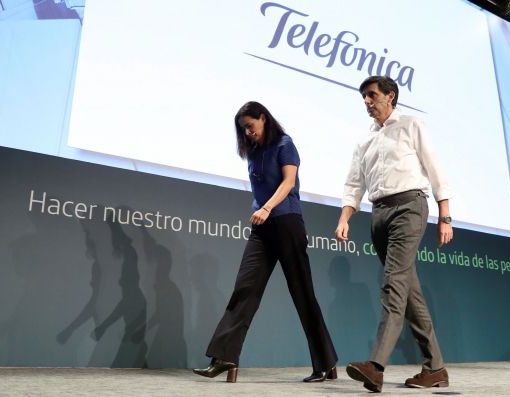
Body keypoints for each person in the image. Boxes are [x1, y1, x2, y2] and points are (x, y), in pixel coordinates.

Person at [193, 101, 338, 383]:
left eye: (250, 126)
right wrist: (262, 211)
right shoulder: (253, 152)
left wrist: (267, 207)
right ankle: (225, 357)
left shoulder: (285, 144)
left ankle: (325, 363)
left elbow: (288, 182)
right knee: (244, 289)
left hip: (286, 222)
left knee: (302, 295)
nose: (247, 132)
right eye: (243, 129)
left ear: (263, 118)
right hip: (263, 228)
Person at [335, 76, 453, 392]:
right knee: (410, 294)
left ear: (390, 96)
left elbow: (434, 168)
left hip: (409, 207)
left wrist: (445, 215)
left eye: (372, 95)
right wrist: (346, 216)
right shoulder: (364, 141)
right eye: (363, 97)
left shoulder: (411, 125)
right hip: (379, 215)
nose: (367, 102)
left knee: (393, 286)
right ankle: (436, 368)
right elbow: (354, 184)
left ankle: (375, 366)